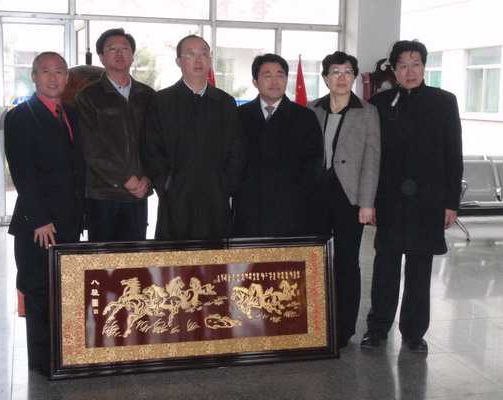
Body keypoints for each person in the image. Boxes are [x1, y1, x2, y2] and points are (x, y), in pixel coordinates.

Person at [361, 40, 463, 352]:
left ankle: (414, 333)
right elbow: (371, 156)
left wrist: (451, 203)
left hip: (429, 201)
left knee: (420, 268)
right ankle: (377, 329)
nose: (410, 71)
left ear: (424, 67)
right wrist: (370, 200)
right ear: (394, 70)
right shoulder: (379, 103)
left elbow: (453, 154)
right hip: (390, 200)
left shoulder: (444, 101)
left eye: (416, 64)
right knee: (385, 268)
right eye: (403, 65)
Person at [4, 52, 85, 373]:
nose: (54, 78)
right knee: (38, 290)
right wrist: (39, 219)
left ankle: (61, 357)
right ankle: (40, 363)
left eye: (60, 72)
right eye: (46, 71)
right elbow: (23, 172)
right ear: (34, 77)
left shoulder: (71, 114)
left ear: (67, 78)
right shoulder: (20, 116)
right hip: (38, 224)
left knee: (62, 289)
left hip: (68, 220)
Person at [308, 51, 380, 348]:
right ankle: (316, 322)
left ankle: (344, 327)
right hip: (316, 197)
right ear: (325, 78)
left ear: (354, 77)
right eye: (335, 72)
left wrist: (367, 203)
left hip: (349, 198)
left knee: (347, 262)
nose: (341, 77)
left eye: (347, 72)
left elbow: (372, 160)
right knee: (316, 260)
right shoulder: (312, 109)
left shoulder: (367, 112)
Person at [143, 34, 245, 240]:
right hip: (175, 197)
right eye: (191, 54)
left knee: (215, 256)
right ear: (178, 61)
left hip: (216, 197)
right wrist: (166, 184)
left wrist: (226, 185)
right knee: (175, 256)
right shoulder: (161, 101)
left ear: (210, 60)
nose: (199, 60)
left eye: (204, 54)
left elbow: (237, 149)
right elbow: (151, 149)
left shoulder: (225, 102)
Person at [76, 28, 155, 242]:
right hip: (103, 194)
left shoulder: (148, 95)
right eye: (112, 49)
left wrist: (148, 179)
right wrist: (125, 179)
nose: (119, 53)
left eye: (125, 48)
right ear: (101, 57)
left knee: (134, 256)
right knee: (103, 257)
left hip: (139, 192)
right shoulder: (88, 96)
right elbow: (91, 148)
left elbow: (156, 144)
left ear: (132, 55)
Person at [232, 53, 323, 236]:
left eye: (280, 75)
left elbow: (313, 164)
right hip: (249, 207)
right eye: (267, 75)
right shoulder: (239, 116)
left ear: (286, 80)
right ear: (255, 82)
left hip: (291, 209)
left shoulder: (305, 117)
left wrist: (297, 196)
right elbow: (231, 160)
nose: (274, 81)